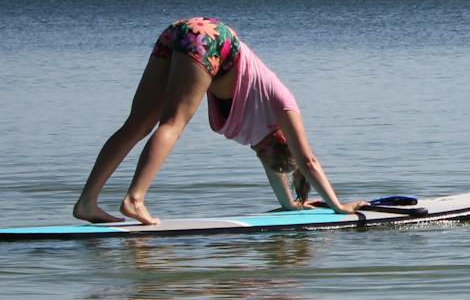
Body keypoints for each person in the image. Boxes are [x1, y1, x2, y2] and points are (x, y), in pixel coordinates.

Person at [74, 17, 360, 226]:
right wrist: (338, 206)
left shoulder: (262, 136)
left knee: (138, 124)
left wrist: (295, 206)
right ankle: (135, 199)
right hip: (210, 39)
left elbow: (282, 190)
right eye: (264, 153)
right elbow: (307, 161)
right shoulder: (283, 106)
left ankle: (87, 203)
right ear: (280, 139)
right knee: (172, 122)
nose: (256, 153)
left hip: (179, 33)